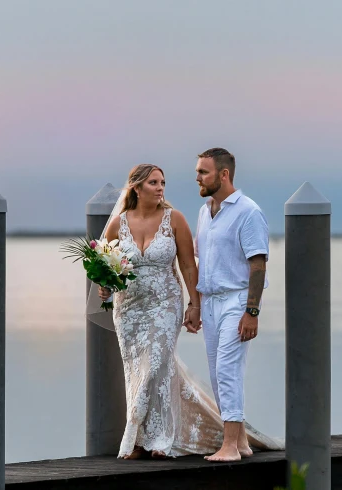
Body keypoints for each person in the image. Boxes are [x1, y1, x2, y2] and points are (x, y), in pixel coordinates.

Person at [97, 163, 281, 460]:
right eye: (154, 183)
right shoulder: (118, 223)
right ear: (137, 187)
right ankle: (148, 440)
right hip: (128, 309)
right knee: (137, 371)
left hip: (164, 305)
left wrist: (194, 305)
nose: (160, 188)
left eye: (163, 183)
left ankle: (149, 439)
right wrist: (104, 285)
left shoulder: (175, 219)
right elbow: (104, 263)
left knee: (155, 367)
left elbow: (187, 265)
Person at [194, 147, 271, 462]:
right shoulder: (204, 211)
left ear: (223, 175)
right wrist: (195, 304)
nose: (197, 177)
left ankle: (228, 447)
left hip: (236, 300)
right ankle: (240, 442)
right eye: (197, 171)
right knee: (216, 372)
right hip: (210, 301)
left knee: (228, 369)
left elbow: (258, 264)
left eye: (203, 172)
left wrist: (251, 312)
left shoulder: (248, 211)